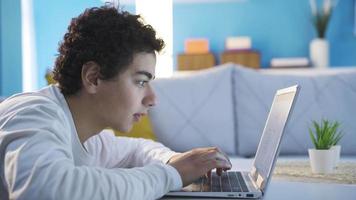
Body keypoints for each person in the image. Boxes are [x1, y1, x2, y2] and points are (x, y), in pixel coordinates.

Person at [0, 5, 231, 200]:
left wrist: (177, 161)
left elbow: (137, 149)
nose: (153, 99)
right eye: (141, 82)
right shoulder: (34, 115)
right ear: (93, 78)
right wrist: (171, 174)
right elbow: (46, 191)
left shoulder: (90, 138)